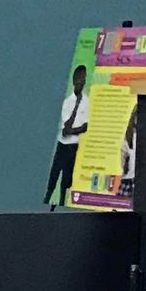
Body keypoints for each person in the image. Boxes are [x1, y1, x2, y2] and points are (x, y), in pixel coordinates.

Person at [46, 64, 90, 207]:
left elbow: (85, 127)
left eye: (82, 79)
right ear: (73, 80)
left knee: (67, 176)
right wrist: (76, 106)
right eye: (77, 79)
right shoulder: (67, 102)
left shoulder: (87, 102)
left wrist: (73, 130)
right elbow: (66, 127)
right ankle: (47, 198)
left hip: (73, 145)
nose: (80, 82)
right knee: (55, 173)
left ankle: (62, 203)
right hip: (62, 144)